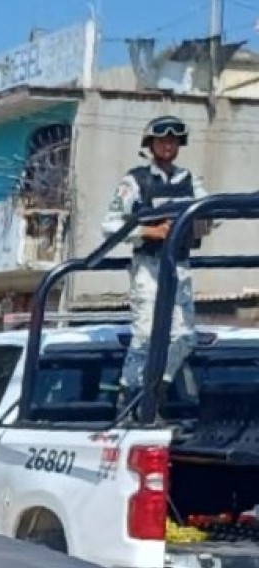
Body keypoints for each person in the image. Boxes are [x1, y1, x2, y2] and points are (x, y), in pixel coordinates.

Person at [102, 115, 212, 410]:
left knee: (186, 337)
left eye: (173, 139)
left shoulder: (190, 180)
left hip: (179, 264)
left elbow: (210, 215)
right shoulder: (135, 180)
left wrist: (198, 222)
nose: (168, 144)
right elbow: (110, 224)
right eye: (162, 139)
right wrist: (150, 229)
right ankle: (129, 396)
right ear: (150, 143)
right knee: (145, 336)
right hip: (148, 266)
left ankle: (155, 390)